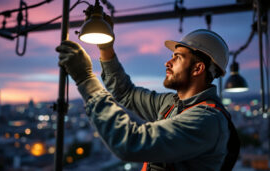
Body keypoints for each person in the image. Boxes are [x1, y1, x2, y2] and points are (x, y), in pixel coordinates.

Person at [56, 28, 240, 170]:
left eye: (178, 57)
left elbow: (130, 143)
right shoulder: (171, 104)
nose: (167, 62)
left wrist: (86, 80)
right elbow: (126, 93)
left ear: (197, 69)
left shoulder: (206, 121)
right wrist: (106, 48)